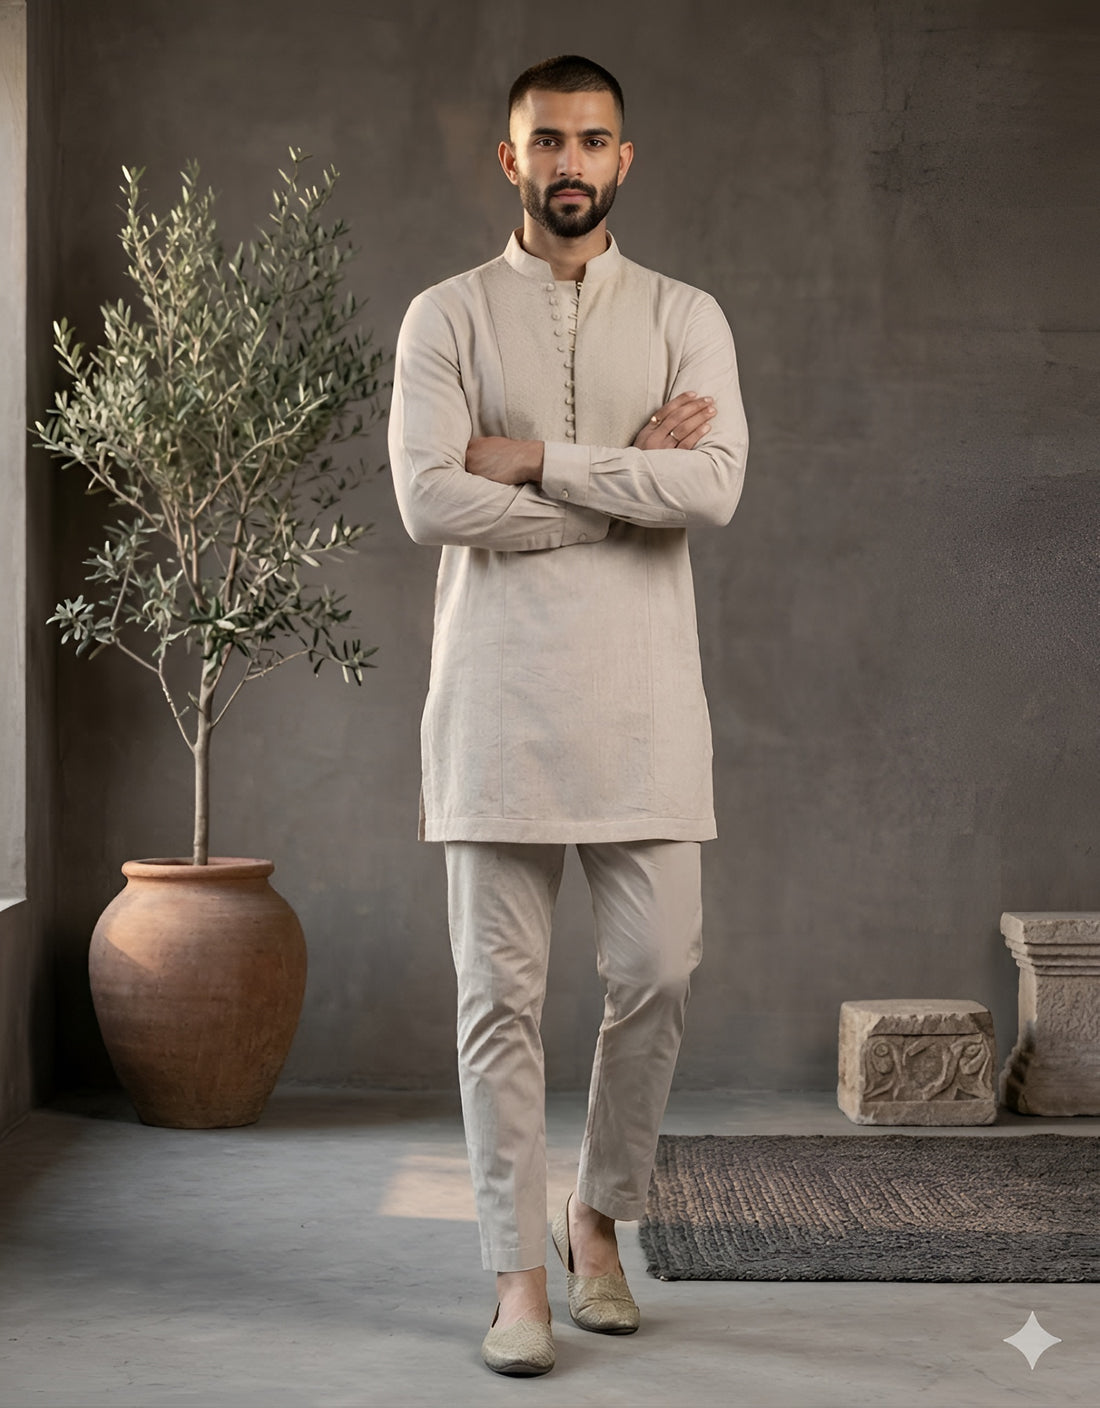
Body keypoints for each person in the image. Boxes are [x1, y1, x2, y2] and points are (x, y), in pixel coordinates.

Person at [388, 53, 749, 1376]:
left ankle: (596, 1220)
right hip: (493, 706)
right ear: (511, 160)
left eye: (593, 140)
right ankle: (512, 1280)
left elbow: (710, 488)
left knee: (656, 972)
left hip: (644, 709)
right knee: (499, 1001)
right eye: (547, 141)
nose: (571, 163)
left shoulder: (686, 312)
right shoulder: (446, 318)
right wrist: (624, 479)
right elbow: (431, 501)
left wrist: (537, 461)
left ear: (625, 159)